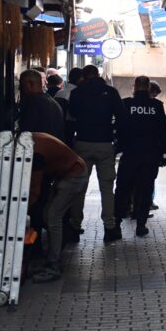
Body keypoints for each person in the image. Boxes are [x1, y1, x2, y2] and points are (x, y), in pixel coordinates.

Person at [68, 64, 126, 243]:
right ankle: (110, 228)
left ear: (83, 77)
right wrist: (115, 138)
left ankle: (75, 227)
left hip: (83, 143)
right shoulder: (110, 92)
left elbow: (72, 116)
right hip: (105, 144)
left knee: (79, 187)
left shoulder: (77, 93)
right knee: (107, 188)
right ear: (98, 74)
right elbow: (121, 117)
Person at [28, 132, 88, 283]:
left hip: (74, 175)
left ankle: (53, 263)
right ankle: (60, 243)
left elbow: (34, 190)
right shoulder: (33, 139)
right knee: (49, 214)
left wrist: (23, 210)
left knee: (53, 217)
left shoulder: (36, 154)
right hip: (69, 173)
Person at [116, 76, 166, 237]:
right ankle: (141, 225)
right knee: (145, 191)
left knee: (122, 190)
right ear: (147, 87)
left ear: (134, 87)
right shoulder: (157, 106)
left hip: (130, 155)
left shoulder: (126, 104)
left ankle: (116, 225)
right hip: (150, 155)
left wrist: (119, 149)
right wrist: (164, 154)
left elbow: (120, 129)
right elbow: (162, 132)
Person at [16, 69, 65, 141]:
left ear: (30, 84)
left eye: (22, 84)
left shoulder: (32, 102)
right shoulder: (50, 100)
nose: (19, 88)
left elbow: (26, 131)